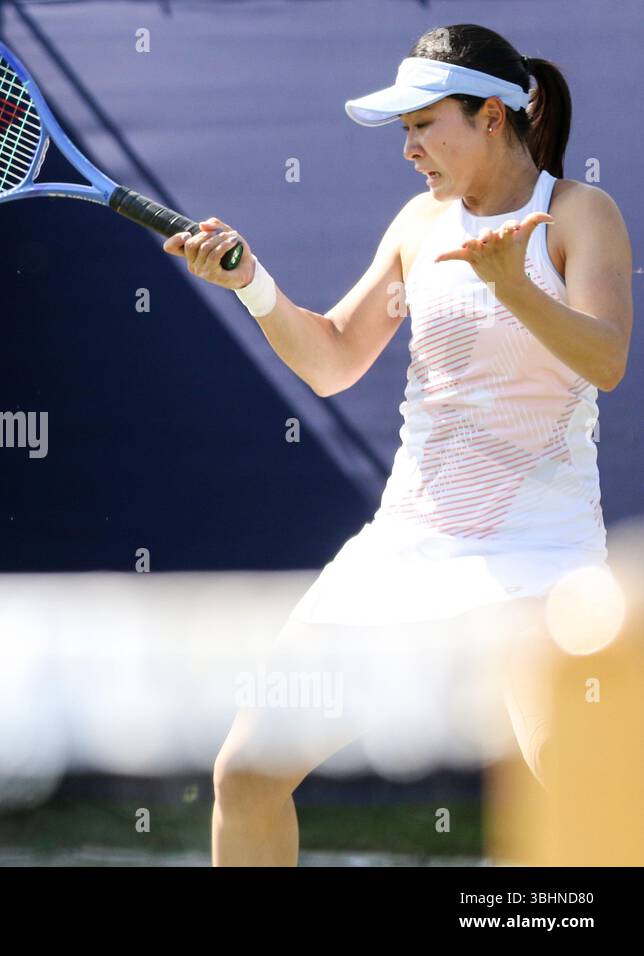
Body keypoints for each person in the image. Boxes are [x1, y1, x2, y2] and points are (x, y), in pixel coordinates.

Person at [164, 24, 633, 866]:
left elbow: (605, 360)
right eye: (404, 132)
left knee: (577, 793)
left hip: (540, 560)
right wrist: (252, 285)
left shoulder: (579, 213)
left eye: (424, 125)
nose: (410, 150)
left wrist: (512, 286)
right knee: (247, 772)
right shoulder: (420, 224)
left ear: (492, 116)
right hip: (404, 552)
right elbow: (337, 358)